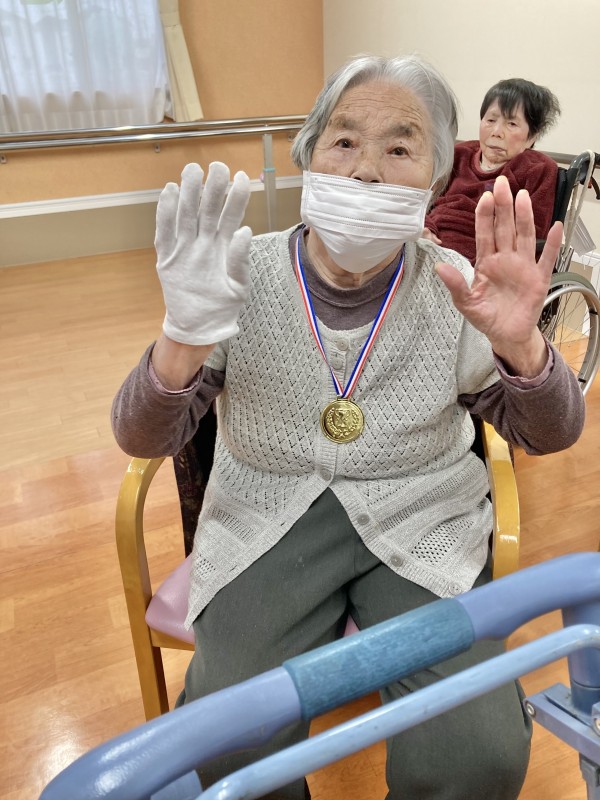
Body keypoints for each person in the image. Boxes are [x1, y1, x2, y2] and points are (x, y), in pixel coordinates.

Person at [112, 54, 585, 799]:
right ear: (308, 156)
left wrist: (523, 346)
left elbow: (552, 434)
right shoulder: (239, 276)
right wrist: (182, 338)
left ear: (434, 179)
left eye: (399, 147)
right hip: (264, 517)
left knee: (478, 753)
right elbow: (142, 439)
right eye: (343, 141)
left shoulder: (459, 287)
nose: (365, 170)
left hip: (424, 519)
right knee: (226, 742)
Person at [423, 77, 561, 264]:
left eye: (511, 124)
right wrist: (425, 229)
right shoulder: (459, 154)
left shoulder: (538, 169)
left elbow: (532, 234)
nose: (496, 132)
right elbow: (425, 200)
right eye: (490, 120)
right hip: (428, 243)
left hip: (481, 259)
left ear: (531, 137)